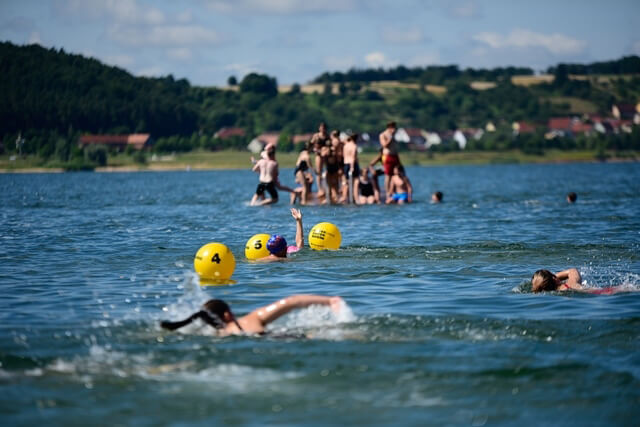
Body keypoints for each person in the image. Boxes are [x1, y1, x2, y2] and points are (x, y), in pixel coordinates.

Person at [161, 294, 345, 336]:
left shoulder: (218, 336)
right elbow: (291, 301)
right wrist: (330, 301)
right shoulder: (250, 319)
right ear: (227, 314)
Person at [531, 268, 626, 294]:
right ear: (554, 278)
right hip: (604, 291)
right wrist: (554, 277)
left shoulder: (560, 293)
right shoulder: (570, 284)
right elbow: (572, 270)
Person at [379, 121, 401, 196]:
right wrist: (390, 137)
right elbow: (384, 145)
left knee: (396, 174)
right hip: (387, 156)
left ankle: (394, 190)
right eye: (393, 127)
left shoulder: (394, 135)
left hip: (395, 156)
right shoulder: (383, 135)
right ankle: (387, 192)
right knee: (388, 175)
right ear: (390, 127)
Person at [310, 122, 330, 198]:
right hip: (318, 155)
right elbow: (311, 145)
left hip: (325, 155)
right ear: (319, 128)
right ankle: (319, 188)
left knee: (327, 170)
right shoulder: (316, 136)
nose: (323, 129)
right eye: (321, 127)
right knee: (318, 172)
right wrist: (315, 150)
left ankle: (326, 186)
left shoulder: (327, 136)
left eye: (324, 128)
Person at [342, 133, 360, 203]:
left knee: (346, 182)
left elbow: (344, 156)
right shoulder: (354, 146)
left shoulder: (346, 145)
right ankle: (356, 198)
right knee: (356, 182)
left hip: (346, 163)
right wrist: (352, 167)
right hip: (353, 164)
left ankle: (344, 197)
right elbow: (353, 157)